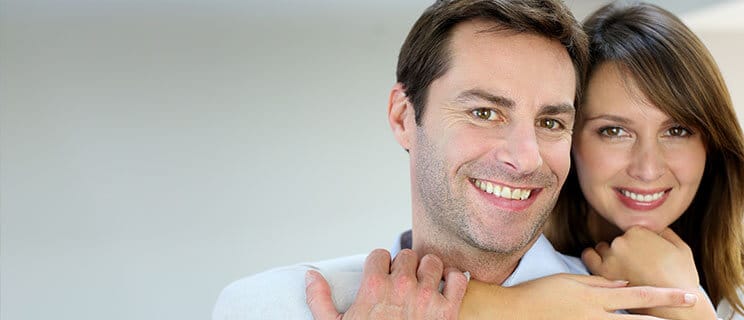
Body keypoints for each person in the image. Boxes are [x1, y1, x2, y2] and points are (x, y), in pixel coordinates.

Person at [213, 1, 702, 319]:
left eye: (550, 122)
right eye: (485, 112)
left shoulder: (636, 314)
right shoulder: (270, 307)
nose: (524, 157)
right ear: (404, 116)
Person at [456, 2, 744, 320]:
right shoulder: (496, 284)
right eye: (614, 131)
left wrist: (688, 307)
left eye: (677, 130)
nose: (647, 168)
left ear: (710, 142)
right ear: (568, 136)